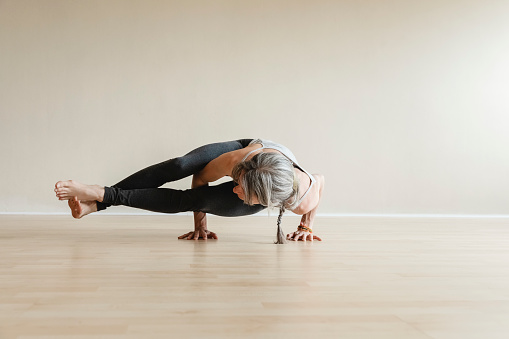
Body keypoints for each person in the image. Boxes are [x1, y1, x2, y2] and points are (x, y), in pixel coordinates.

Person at [54, 139, 324, 243]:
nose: (235, 190)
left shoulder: (302, 197)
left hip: (268, 185)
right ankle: (98, 197)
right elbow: (200, 177)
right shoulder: (236, 161)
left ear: (263, 201)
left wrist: (306, 226)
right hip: (250, 155)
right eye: (237, 183)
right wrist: (201, 223)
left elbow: (320, 182)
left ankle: (98, 200)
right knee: (179, 165)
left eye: (242, 191)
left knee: (190, 201)